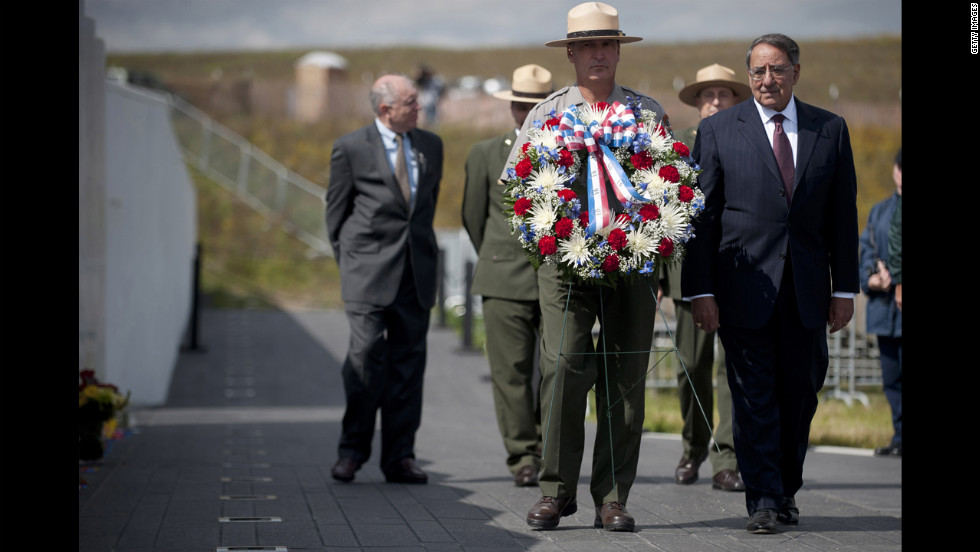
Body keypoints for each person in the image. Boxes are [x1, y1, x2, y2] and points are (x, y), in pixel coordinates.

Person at [500, 2, 670, 532]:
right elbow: (516, 186)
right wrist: (549, 233)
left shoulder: (646, 113)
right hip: (564, 262)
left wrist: (652, 245)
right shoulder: (547, 112)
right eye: (589, 45)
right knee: (564, 366)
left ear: (619, 50)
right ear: (570, 53)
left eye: (608, 44)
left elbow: (670, 186)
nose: (599, 53)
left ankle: (613, 497)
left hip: (633, 261)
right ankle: (554, 491)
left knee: (624, 377)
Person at [682, 33, 859, 534]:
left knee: (800, 393)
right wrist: (702, 290)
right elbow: (704, 217)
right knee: (752, 395)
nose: (766, 80)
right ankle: (761, 496)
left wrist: (844, 289)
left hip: (807, 291)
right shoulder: (718, 130)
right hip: (743, 289)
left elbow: (842, 217)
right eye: (758, 71)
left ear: (795, 73)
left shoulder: (831, 129)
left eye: (777, 70)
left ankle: (784, 488)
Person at [325, 74, 444, 485]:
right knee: (364, 362)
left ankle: (400, 458)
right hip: (366, 276)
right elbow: (336, 215)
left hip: (416, 275)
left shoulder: (431, 146)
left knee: (408, 369)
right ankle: (352, 451)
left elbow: (424, 210)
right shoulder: (351, 148)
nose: (420, 109)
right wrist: (352, 266)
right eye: (411, 103)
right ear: (384, 110)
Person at [659, 63, 750, 493]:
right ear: (696, 104)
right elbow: (660, 215)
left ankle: (726, 456)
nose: (715, 102)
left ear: (736, 101)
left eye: (724, 95)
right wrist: (658, 273)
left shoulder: (750, 145)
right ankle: (693, 447)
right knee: (691, 367)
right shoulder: (675, 151)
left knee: (731, 370)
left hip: (737, 272)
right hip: (686, 278)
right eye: (708, 96)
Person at [462, 64, 554, 487]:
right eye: (522, 105)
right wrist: (498, 257)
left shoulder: (569, 150)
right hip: (503, 280)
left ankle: (551, 448)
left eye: (538, 105)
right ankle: (523, 456)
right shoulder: (485, 153)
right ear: (513, 108)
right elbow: (472, 216)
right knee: (511, 372)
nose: (529, 113)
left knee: (559, 369)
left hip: (559, 277)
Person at [860, 148, 902, 458]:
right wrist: (870, 278)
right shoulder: (879, 211)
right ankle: (899, 435)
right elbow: (865, 251)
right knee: (891, 377)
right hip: (884, 308)